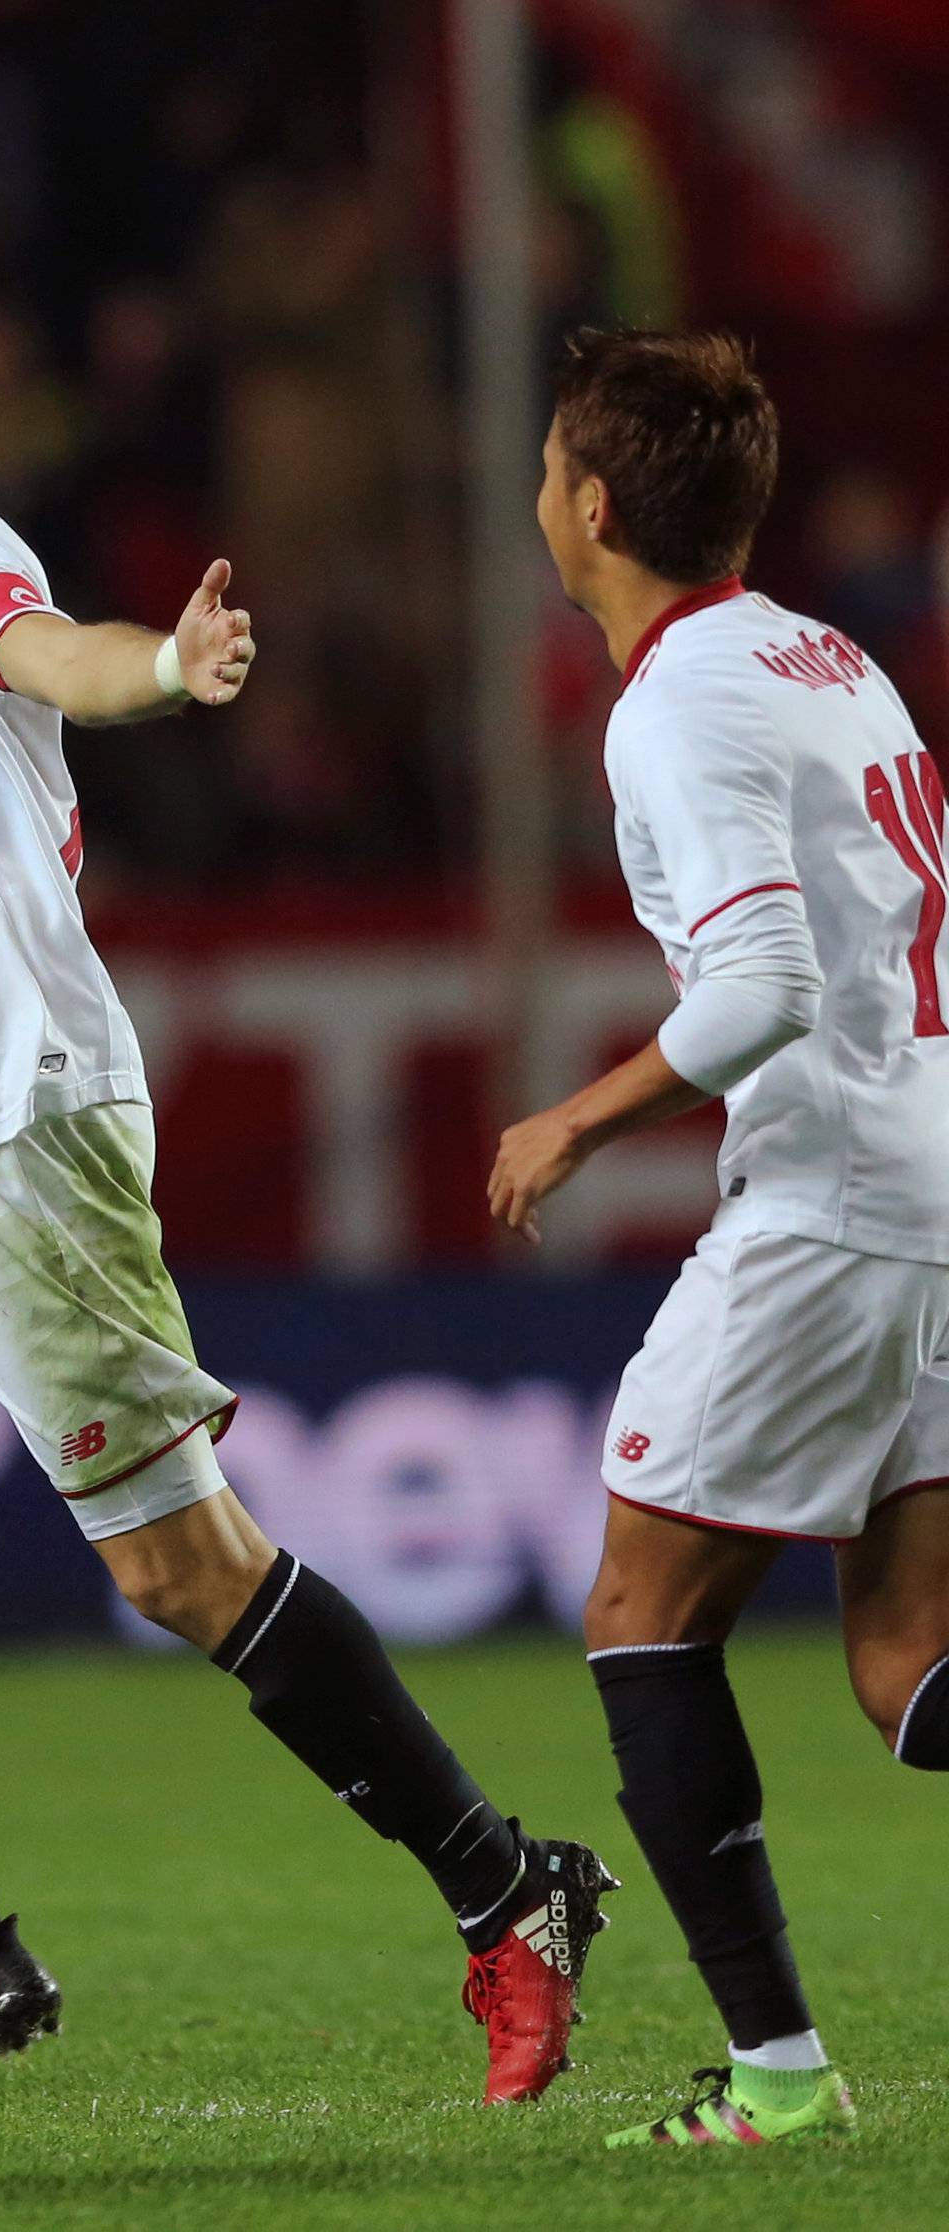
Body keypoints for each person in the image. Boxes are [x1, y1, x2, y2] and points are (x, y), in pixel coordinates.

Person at [0, 227, 614, 2130]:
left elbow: (49, 660)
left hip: (21, 1131)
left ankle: (511, 1888)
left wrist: (164, 669)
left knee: (179, 1568)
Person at [490, 327, 949, 2149]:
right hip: (931, 1167)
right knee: (910, 1668)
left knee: (639, 1615)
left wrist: (575, 1121)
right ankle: (776, 2068)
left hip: (839, 1195)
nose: (539, 497)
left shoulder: (676, 698)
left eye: (545, 471)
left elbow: (759, 982)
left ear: (592, 509)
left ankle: (775, 2073)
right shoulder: (832, 659)